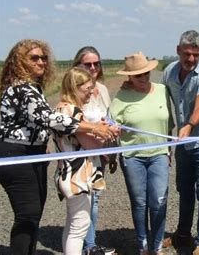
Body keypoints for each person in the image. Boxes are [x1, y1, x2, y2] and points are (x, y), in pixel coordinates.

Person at [0, 39, 115, 255]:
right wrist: (93, 127)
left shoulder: (32, 87)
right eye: (34, 58)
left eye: (43, 57)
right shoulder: (23, 88)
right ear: (19, 60)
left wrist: (42, 141)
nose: (41, 61)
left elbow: (40, 122)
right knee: (28, 214)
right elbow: (48, 118)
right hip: (16, 155)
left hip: (32, 153)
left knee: (33, 214)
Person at [161, 30, 199, 255]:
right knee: (184, 189)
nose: (191, 59)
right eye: (187, 54)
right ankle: (183, 235)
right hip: (182, 142)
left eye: (196, 55)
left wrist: (188, 125)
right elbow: (162, 105)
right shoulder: (169, 72)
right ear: (178, 51)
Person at [110, 52, 173, 255]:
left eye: (146, 73)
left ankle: (157, 246)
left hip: (159, 154)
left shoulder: (163, 91)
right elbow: (110, 123)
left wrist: (169, 148)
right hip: (132, 156)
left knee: (159, 200)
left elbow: (169, 122)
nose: (144, 78)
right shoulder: (121, 97)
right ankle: (143, 244)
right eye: (138, 75)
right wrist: (114, 129)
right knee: (139, 202)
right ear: (129, 77)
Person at [53, 67, 113, 255]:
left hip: (66, 173)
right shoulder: (74, 112)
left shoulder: (61, 108)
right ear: (75, 87)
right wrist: (107, 134)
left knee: (72, 223)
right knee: (80, 227)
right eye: (87, 89)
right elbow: (92, 146)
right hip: (78, 176)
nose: (91, 93)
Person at [71, 46, 116, 255]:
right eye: (87, 64)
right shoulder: (75, 91)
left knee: (94, 198)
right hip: (83, 155)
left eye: (96, 63)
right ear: (77, 66)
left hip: (101, 154)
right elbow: (76, 126)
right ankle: (87, 246)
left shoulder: (103, 89)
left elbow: (106, 120)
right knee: (86, 202)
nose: (92, 67)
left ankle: (89, 243)